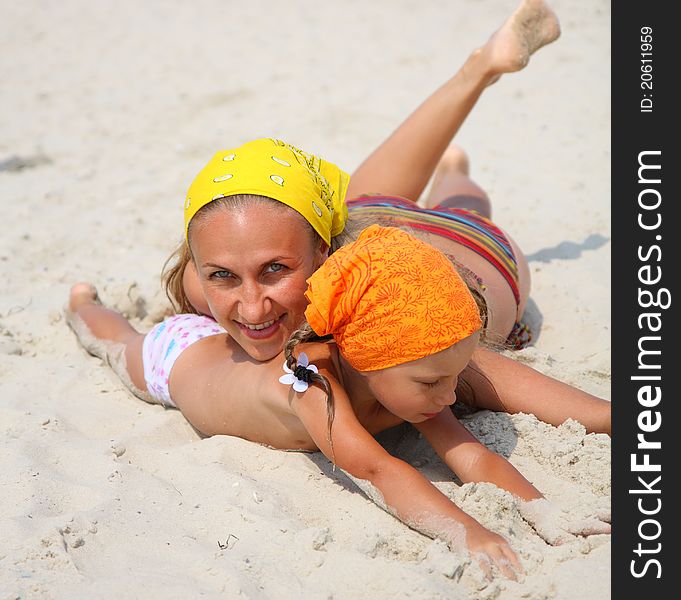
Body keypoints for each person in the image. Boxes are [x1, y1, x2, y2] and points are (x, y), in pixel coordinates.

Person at [158, 0, 611, 434]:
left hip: (478, 250)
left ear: (321, 252)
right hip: (371, 217)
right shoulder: (210, 278)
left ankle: (456, 171)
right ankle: (475, 83)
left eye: (274, 270)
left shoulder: (387, 312)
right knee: (363, 203)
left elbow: (501, 378)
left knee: (461, 210)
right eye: (222, 275)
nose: (252, 306)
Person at [65, 225, 610, 580]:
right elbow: (375, 467)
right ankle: (84, 306)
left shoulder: (407, 377)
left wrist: (543, 507)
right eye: (431, 384)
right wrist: (468, 531)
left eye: (451, 380)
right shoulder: (312, 381)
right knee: (118, 343)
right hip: (181, 360)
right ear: (365, 360)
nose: (449, 395)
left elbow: (471, 456)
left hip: (241, 352)